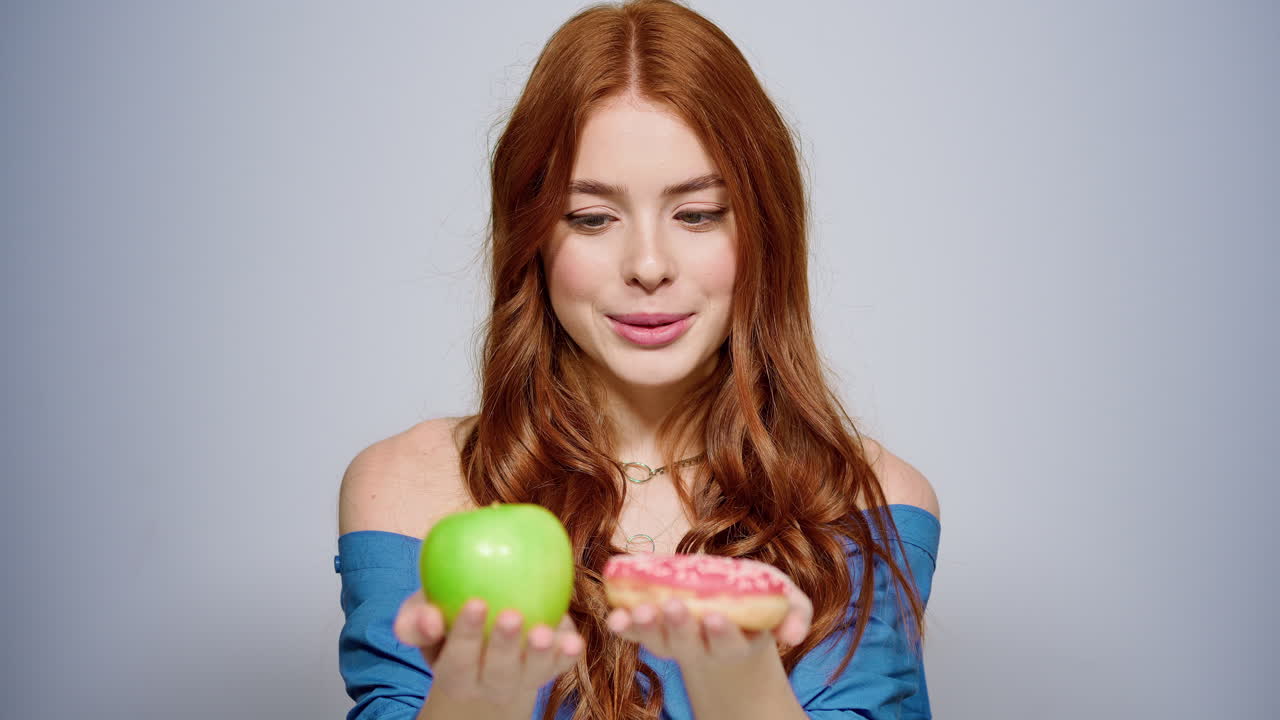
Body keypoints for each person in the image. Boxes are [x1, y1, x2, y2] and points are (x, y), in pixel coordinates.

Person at [334, 1, 942, 718]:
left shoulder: (867, 498)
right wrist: (480, 691)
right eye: (592, 218)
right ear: (532, 237)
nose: (649, 265)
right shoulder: (408, 489)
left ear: (763, 230)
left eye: (697, 214)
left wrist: (738, 672)